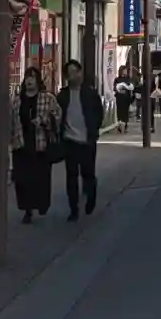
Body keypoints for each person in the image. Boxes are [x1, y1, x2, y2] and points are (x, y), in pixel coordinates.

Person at [11, 66, 61, 221]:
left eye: (32, 77)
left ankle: (41, 204)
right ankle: (27, 210)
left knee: (41, 178)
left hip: (40, 143)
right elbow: (11, 121)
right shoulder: (17, 100)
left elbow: (57, 115)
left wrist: (42, 120)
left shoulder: (47, 98)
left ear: (38, 80)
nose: (29, 81)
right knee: (23, 179)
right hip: (21, 143)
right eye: (27, 77)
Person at [57, 59, 104, 220]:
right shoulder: (63, 95)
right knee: (71, 176)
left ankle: (91, 197)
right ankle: (73, 209)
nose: (74, 75)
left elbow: (99, 112)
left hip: (87, 140)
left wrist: (94, 130)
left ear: (80, 72)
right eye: (70, 73)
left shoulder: (90, 93)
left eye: (76, 71)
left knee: (88, 173)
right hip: (69, 140)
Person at [113, 66, 136, 134]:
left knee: (125, 112)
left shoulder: (128, 79)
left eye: (126, 70)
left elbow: (131, 87)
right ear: (121, 71)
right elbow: (115, 88)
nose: (125, 72)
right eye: (124, 70)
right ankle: (119, 125)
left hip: (126, 98)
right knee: (120, 112)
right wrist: (119, 89)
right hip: (119, 98)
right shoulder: (117, 79)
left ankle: (125, 125)